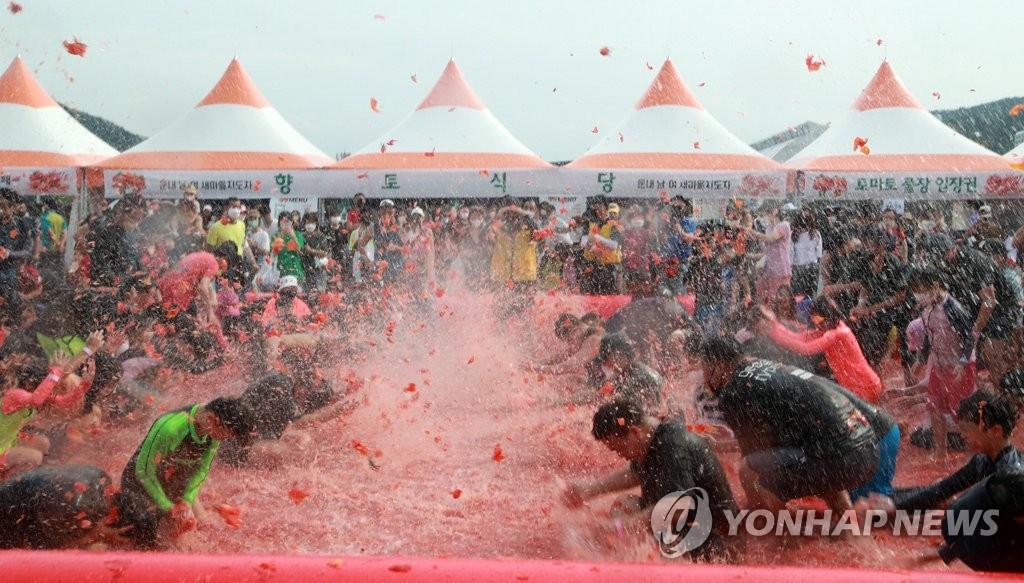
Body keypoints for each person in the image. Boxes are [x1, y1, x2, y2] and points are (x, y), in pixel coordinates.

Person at [696, 338, 878, 517]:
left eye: (705, 371)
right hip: (867, 449)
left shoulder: (734, 389)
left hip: (841, 458)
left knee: (749, 472)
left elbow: (752, 455)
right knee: (814, 451)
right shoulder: (763, 365)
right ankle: (850, 527)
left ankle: (777, 539)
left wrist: (716, 447)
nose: (705, 380)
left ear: (718, 365)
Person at [562, 399, 739, 562]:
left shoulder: (672, 446)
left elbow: (678, 508)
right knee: (625, 505)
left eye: (619, 448)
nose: (621, 456)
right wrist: (589, 490)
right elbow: (635, 473)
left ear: (634, 432)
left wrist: (623, 527)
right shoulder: (653, 435)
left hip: (714, 544)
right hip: (688, 526)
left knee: (645, 528)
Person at [864, 392, 1024, 572]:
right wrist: (894, 504)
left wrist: (934, 556)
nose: (962, 436)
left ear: (995, 431)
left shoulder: (1011, 476)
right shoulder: (983, 462)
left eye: (967, 429)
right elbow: (941, 489)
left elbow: (999, 533)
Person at [115, 397, 255, 549]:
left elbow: (201, 471)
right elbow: (143, 472)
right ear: (211, 419)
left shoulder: (213, 429)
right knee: (145, 528)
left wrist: (187, 501)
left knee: (191, 532)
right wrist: (168, 507)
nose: (224, 440)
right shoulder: (170, 428)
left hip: (174, 481)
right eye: (225, 435)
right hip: (139, 481)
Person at [892, 266, 977, 458]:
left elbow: (969, 337)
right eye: (915, 289)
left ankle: (973, 455)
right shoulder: (926, 309)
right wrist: (919, 361)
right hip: (939, 366)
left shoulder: (953, 308)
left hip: (959, 367)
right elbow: (930, 339)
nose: (917, 294)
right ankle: (941, 452)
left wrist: (962, 363)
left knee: (963, 412)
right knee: (936, 406)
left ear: (936, 285)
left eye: (920, 289)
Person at [758, 295, 883, 403]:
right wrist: (774, 325)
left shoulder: (838, 333)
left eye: (817, 319)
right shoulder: (828, 329)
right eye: (813, 319)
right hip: (856, 388)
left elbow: (805, 348)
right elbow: (799, 338)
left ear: (828, 315)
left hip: (866, 387)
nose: (816, 323)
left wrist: (773, 332)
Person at [0, 465, 122, 549]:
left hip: (15, 494)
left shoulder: (100, 476)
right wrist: (95, 536)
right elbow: (45, 554)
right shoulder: (79, 509)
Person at [596, 333, 663, 409]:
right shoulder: (629, 371)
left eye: (607, 359)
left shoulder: (638, 377)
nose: (605, 363)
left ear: (617, 355)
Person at [745, 201, 792, 303]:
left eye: (764, 214)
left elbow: (770, 239)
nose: (763, 218)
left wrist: (754, 233)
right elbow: (767, 253)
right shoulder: (769, 229)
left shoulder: (784, 225)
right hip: (768, 271)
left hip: (780, 271)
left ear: (774, 212)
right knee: (765, 299)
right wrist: (749, 256)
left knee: (779, 300)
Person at [580, 197, 624, 294]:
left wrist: (597, 238)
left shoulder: (614, 224)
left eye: (600, 206)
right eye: (596, 207)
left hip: (609, 267)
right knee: (591, 294)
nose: (598, 209)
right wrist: (594, 249)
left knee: (609, 294)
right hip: (592, 264)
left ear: (606, 208)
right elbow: (583, 241)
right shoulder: (590, 222)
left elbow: (613, 245)